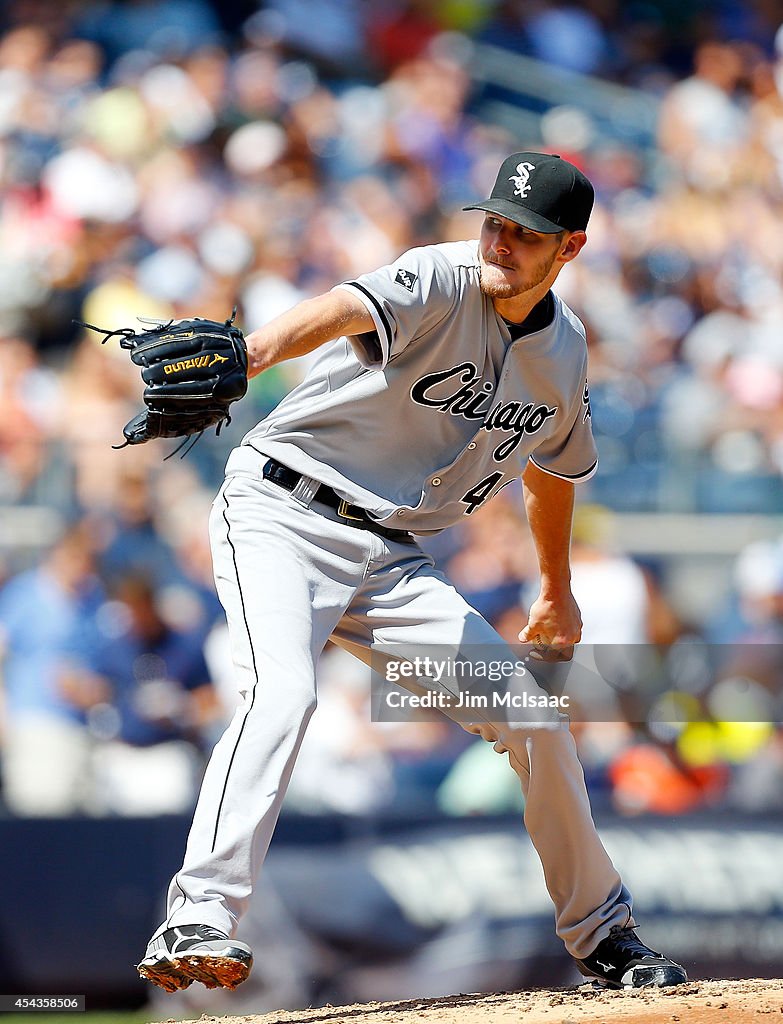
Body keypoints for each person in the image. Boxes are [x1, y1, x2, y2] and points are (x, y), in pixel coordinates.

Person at [137, 152, 687, 994]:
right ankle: (199, 913)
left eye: (525, 234)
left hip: (392, 560)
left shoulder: (565, 352)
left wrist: (555, 585)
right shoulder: (439, 274)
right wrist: (252, 353)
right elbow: (340, 308)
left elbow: (551, 469)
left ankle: (603, 936)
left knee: (532, 719)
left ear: (568, 249)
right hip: (280, 514)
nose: (500, 242)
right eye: (493, 222)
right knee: (282, 694)